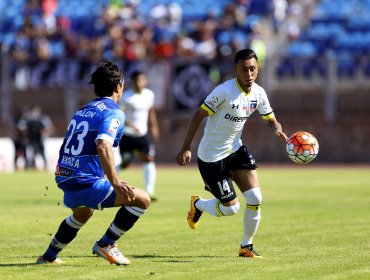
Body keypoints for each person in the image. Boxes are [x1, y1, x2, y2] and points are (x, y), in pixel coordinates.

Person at [36, 60, 151, 265]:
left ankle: (48, 256)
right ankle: (106, 244)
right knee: (142, 199)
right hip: (84, 180)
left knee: (82, 213)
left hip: (64, 176)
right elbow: (103, 146)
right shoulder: (113, 111)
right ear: (119, 87)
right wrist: (115, 182)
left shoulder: (82, 110)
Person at [176, 48, 288, 258]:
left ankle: (246, 246)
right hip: (212, 157)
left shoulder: (259, 93)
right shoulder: (223, 92)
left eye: (253, 69)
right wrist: (186, 147)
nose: (249, 74)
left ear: (258, 69)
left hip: (235, 149)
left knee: (255, 197)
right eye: (244, 70)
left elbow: (271, 120)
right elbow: (198, 115)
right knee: (231, 209)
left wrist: (277, 130)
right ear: (235, 70)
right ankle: (198, 204)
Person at [118, 71, 159, 200]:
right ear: (132, 81)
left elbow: (151, 112)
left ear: (145, 81)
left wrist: (154, 127)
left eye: (141, 80)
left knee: (149, 159)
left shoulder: (149, 95)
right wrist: (131, 125)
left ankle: (149, 191)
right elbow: (119, 115)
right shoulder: (126, 97)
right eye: (136, 80)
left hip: (142, 135)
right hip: (127, 136)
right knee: (125, 163)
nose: (138, 83)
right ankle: (107, 183)